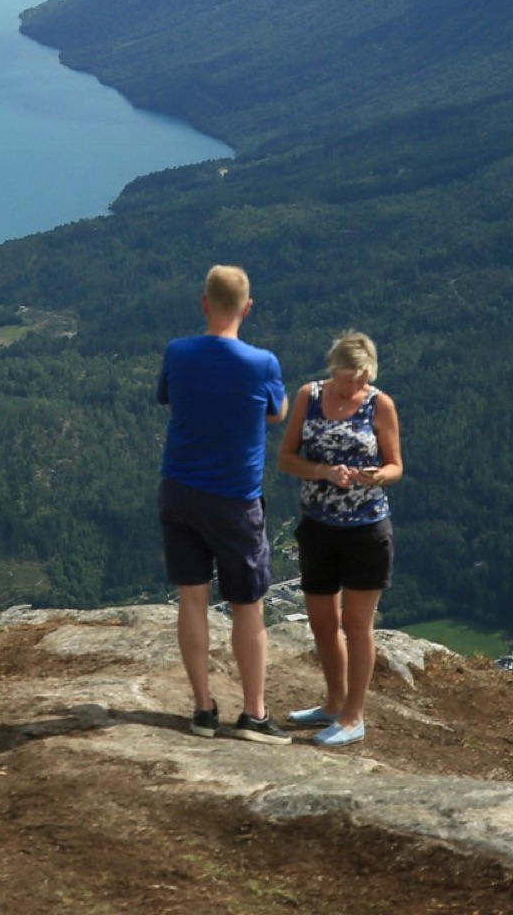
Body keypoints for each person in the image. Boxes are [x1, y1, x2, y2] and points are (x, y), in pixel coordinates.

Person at [158, 263, 288, 739]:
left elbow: (170, 398)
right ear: (247, 308)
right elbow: (275, 414)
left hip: (179, 489)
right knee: (247, 605)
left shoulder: (178, 353)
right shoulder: (262, 363)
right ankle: (254, 714)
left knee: (192, 600)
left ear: (204, 302)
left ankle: (202, 710)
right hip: (235, 499)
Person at [275, 330, 401, 749]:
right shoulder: (309, 397)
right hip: (318, 527)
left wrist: (378, 476)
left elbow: (395, 465)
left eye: (361, 378)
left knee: (357, 626)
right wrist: (324, 472)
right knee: (323, 622)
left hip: (367, 529)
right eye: (348, 378)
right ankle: (332, 702)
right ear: (333, 368)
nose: (354, 387)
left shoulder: (379, 404)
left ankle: (353, 716)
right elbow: (286, 458)